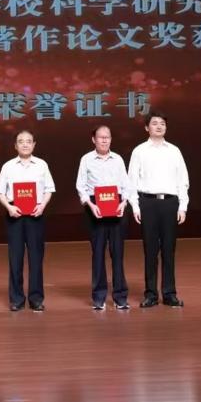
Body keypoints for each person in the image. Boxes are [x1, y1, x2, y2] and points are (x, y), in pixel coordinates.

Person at [127, 111, 190, 308]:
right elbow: (131, 181)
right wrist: (135, 206)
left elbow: (183, 180)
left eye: (162, 123)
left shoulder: (174, 151)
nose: (159, 126)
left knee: (169, 250)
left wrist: (183, 206)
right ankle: (151, 294)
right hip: (148, 203)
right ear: (147, 128)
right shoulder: (139, 151)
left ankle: (170, 293)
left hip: (170, 203)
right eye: (155, 123)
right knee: (150, 250)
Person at [0, 130, 55, 312]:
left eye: (29, 141)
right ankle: (16, 299)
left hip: (36, 214)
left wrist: (42, 206)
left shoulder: (42, 165)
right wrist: (9, 207)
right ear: (15, 145)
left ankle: (36, 299)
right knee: (15, 258)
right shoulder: (8, 166)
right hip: (15, 215)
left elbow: (49, 189)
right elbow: (0, 192)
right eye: (21, 141)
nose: (25, 144)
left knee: (36, 258)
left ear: (34, 144)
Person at [75, 125, 131, 311]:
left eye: (107, 137)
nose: (104, 140)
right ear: (94, 139)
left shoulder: (118, 159)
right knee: (98, 253)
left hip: (117, 206)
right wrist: (90, 205)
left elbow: (126, 184)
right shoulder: (86, 159)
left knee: (118, 253)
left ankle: (120, 296)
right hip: (95, 207)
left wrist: (124, 203)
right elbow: (81, 186)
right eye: (101, 137)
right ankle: (99, 297)